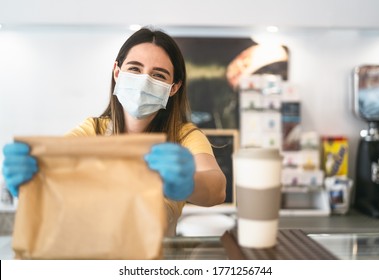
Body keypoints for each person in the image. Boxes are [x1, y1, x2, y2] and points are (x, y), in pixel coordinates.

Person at [2, 27, 227, 236]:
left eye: (158, 75)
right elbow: (52, 171)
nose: (143, 81)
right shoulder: (92, 130)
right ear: (117, 73)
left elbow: (217, 188)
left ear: (173, 88)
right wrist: (33, 178)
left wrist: (188, 182)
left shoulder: (185, 136)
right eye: (135, 69)